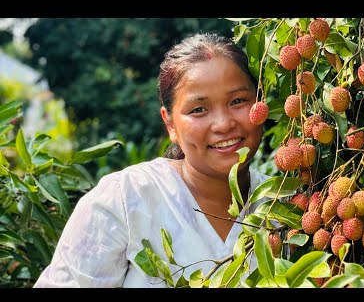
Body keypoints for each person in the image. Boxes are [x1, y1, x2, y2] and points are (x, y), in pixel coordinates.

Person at [34, 32, 269, 288]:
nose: (223, 124)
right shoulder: (124, 199)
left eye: (238, 101)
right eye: (198, 109)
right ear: (170, 124)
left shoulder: (288, 207)